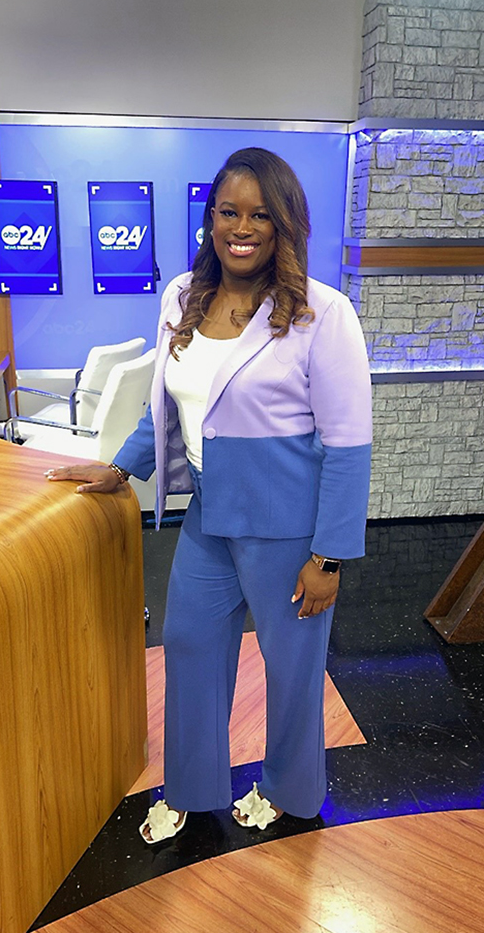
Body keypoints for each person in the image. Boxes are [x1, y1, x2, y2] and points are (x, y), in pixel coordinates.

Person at [45, 147, 372, 844]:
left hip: (290, 531)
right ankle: (192, 790)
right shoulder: (180, 298)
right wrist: (122, 469)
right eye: (229, 211)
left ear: (286, 225)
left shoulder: (324, 314)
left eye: (261, 214)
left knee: (292, 670)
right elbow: (164, 407)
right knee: (190, 644)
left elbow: (348, 444)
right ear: (211, 219)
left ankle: (289, 789)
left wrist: (331, 556)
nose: (242, 226)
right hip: (207, 519)